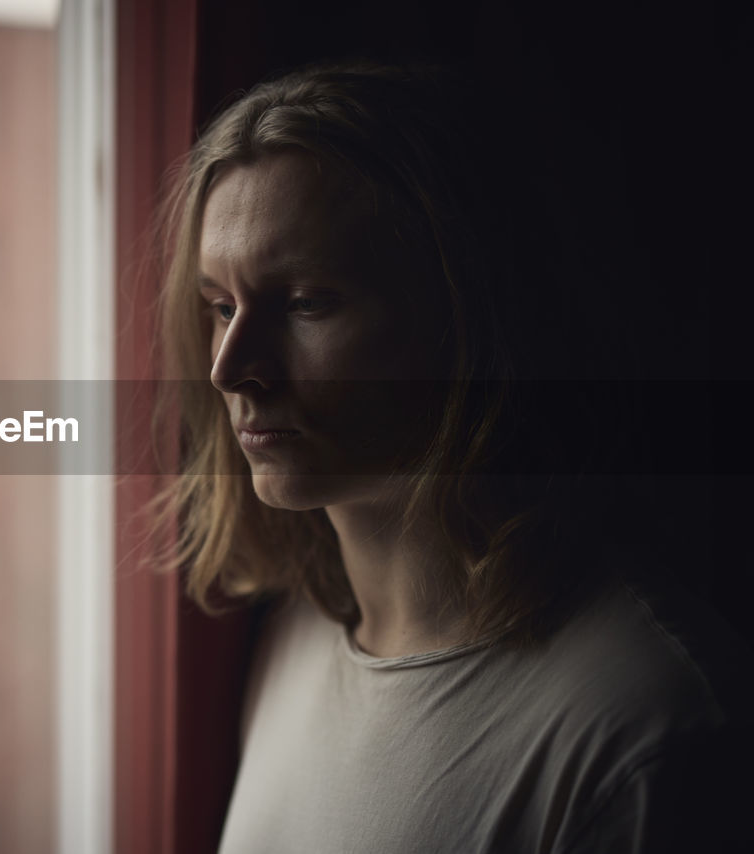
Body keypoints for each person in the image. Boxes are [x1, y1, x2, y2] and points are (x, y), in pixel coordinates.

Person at [151, 61, 753, 852]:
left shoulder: (646, 727)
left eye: (306, 302)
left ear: (461, 316)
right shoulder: (293, 640)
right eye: (221, 307)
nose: (231, 368)